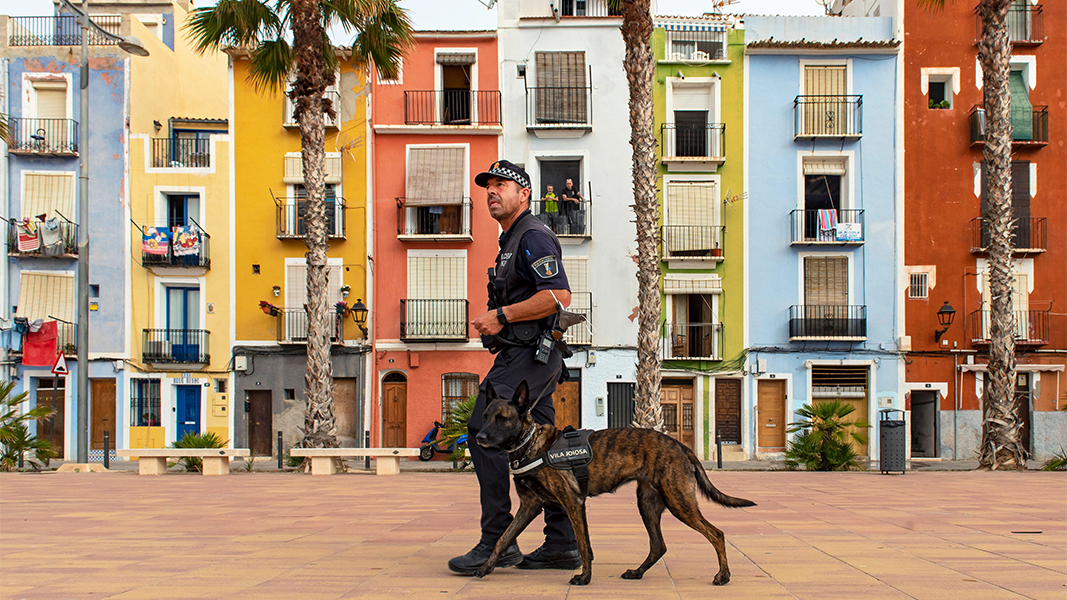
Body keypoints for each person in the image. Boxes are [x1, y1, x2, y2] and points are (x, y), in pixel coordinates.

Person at [447, 160, 581, 575]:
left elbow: (558, 296)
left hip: (530, 357)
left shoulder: (533, 235)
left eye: (501, 185)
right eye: (488, 186)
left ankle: (497, 540)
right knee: (546, 445)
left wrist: (501, 315)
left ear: (524, 194)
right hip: (524, 356)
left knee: (483, 429)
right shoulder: (511, 240)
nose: (491, 191)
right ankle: (562, 543)